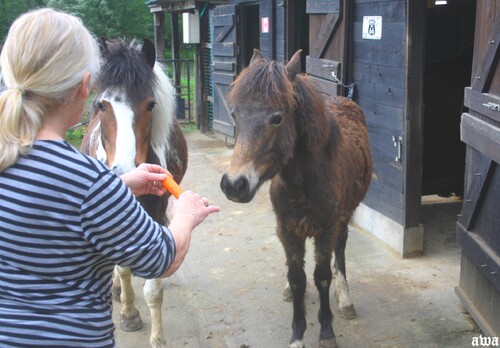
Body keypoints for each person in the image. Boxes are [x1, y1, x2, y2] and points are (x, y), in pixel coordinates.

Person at [0, 8, 220, 348]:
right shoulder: (89, 183)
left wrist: (117, 186)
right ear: (86, 87)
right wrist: (185, 215)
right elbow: (161, 258)